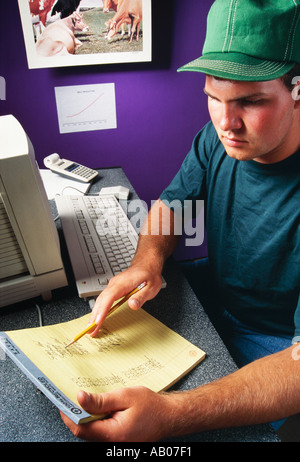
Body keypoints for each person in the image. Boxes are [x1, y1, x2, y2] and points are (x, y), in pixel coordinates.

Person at [61, 0, 300, 442]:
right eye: (213, 98)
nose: (226, 123)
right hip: (218, 297)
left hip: (279, 345)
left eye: (250, 101)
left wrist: (170, 415)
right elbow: (173, 205)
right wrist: (145, 262)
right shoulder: (217, 138)